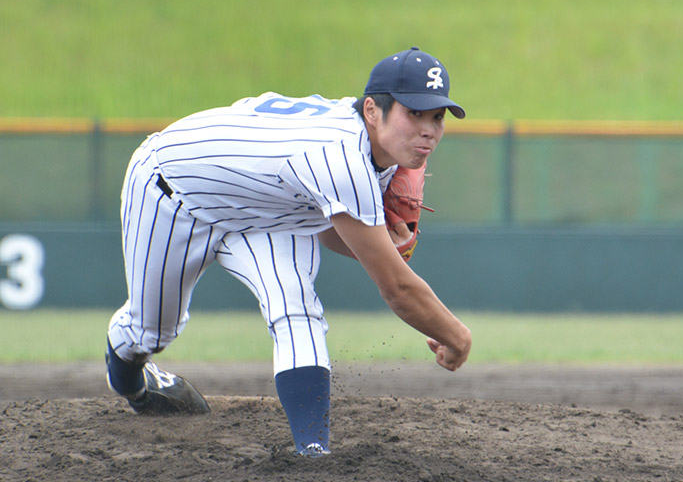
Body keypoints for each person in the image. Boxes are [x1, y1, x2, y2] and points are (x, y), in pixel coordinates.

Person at [105, 46, 472, 457]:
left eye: (436, 116)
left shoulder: (380, 154)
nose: (428, 129)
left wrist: (384, 243)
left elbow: (330, 231)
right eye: (414, 113)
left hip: (267, 212)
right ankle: (132, 382)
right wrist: (455, 336)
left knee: (296, 308)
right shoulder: (341, 158)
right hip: (174, 190)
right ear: (372, 109)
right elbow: (397, 289)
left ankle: (312, 455)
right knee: (153, 330)